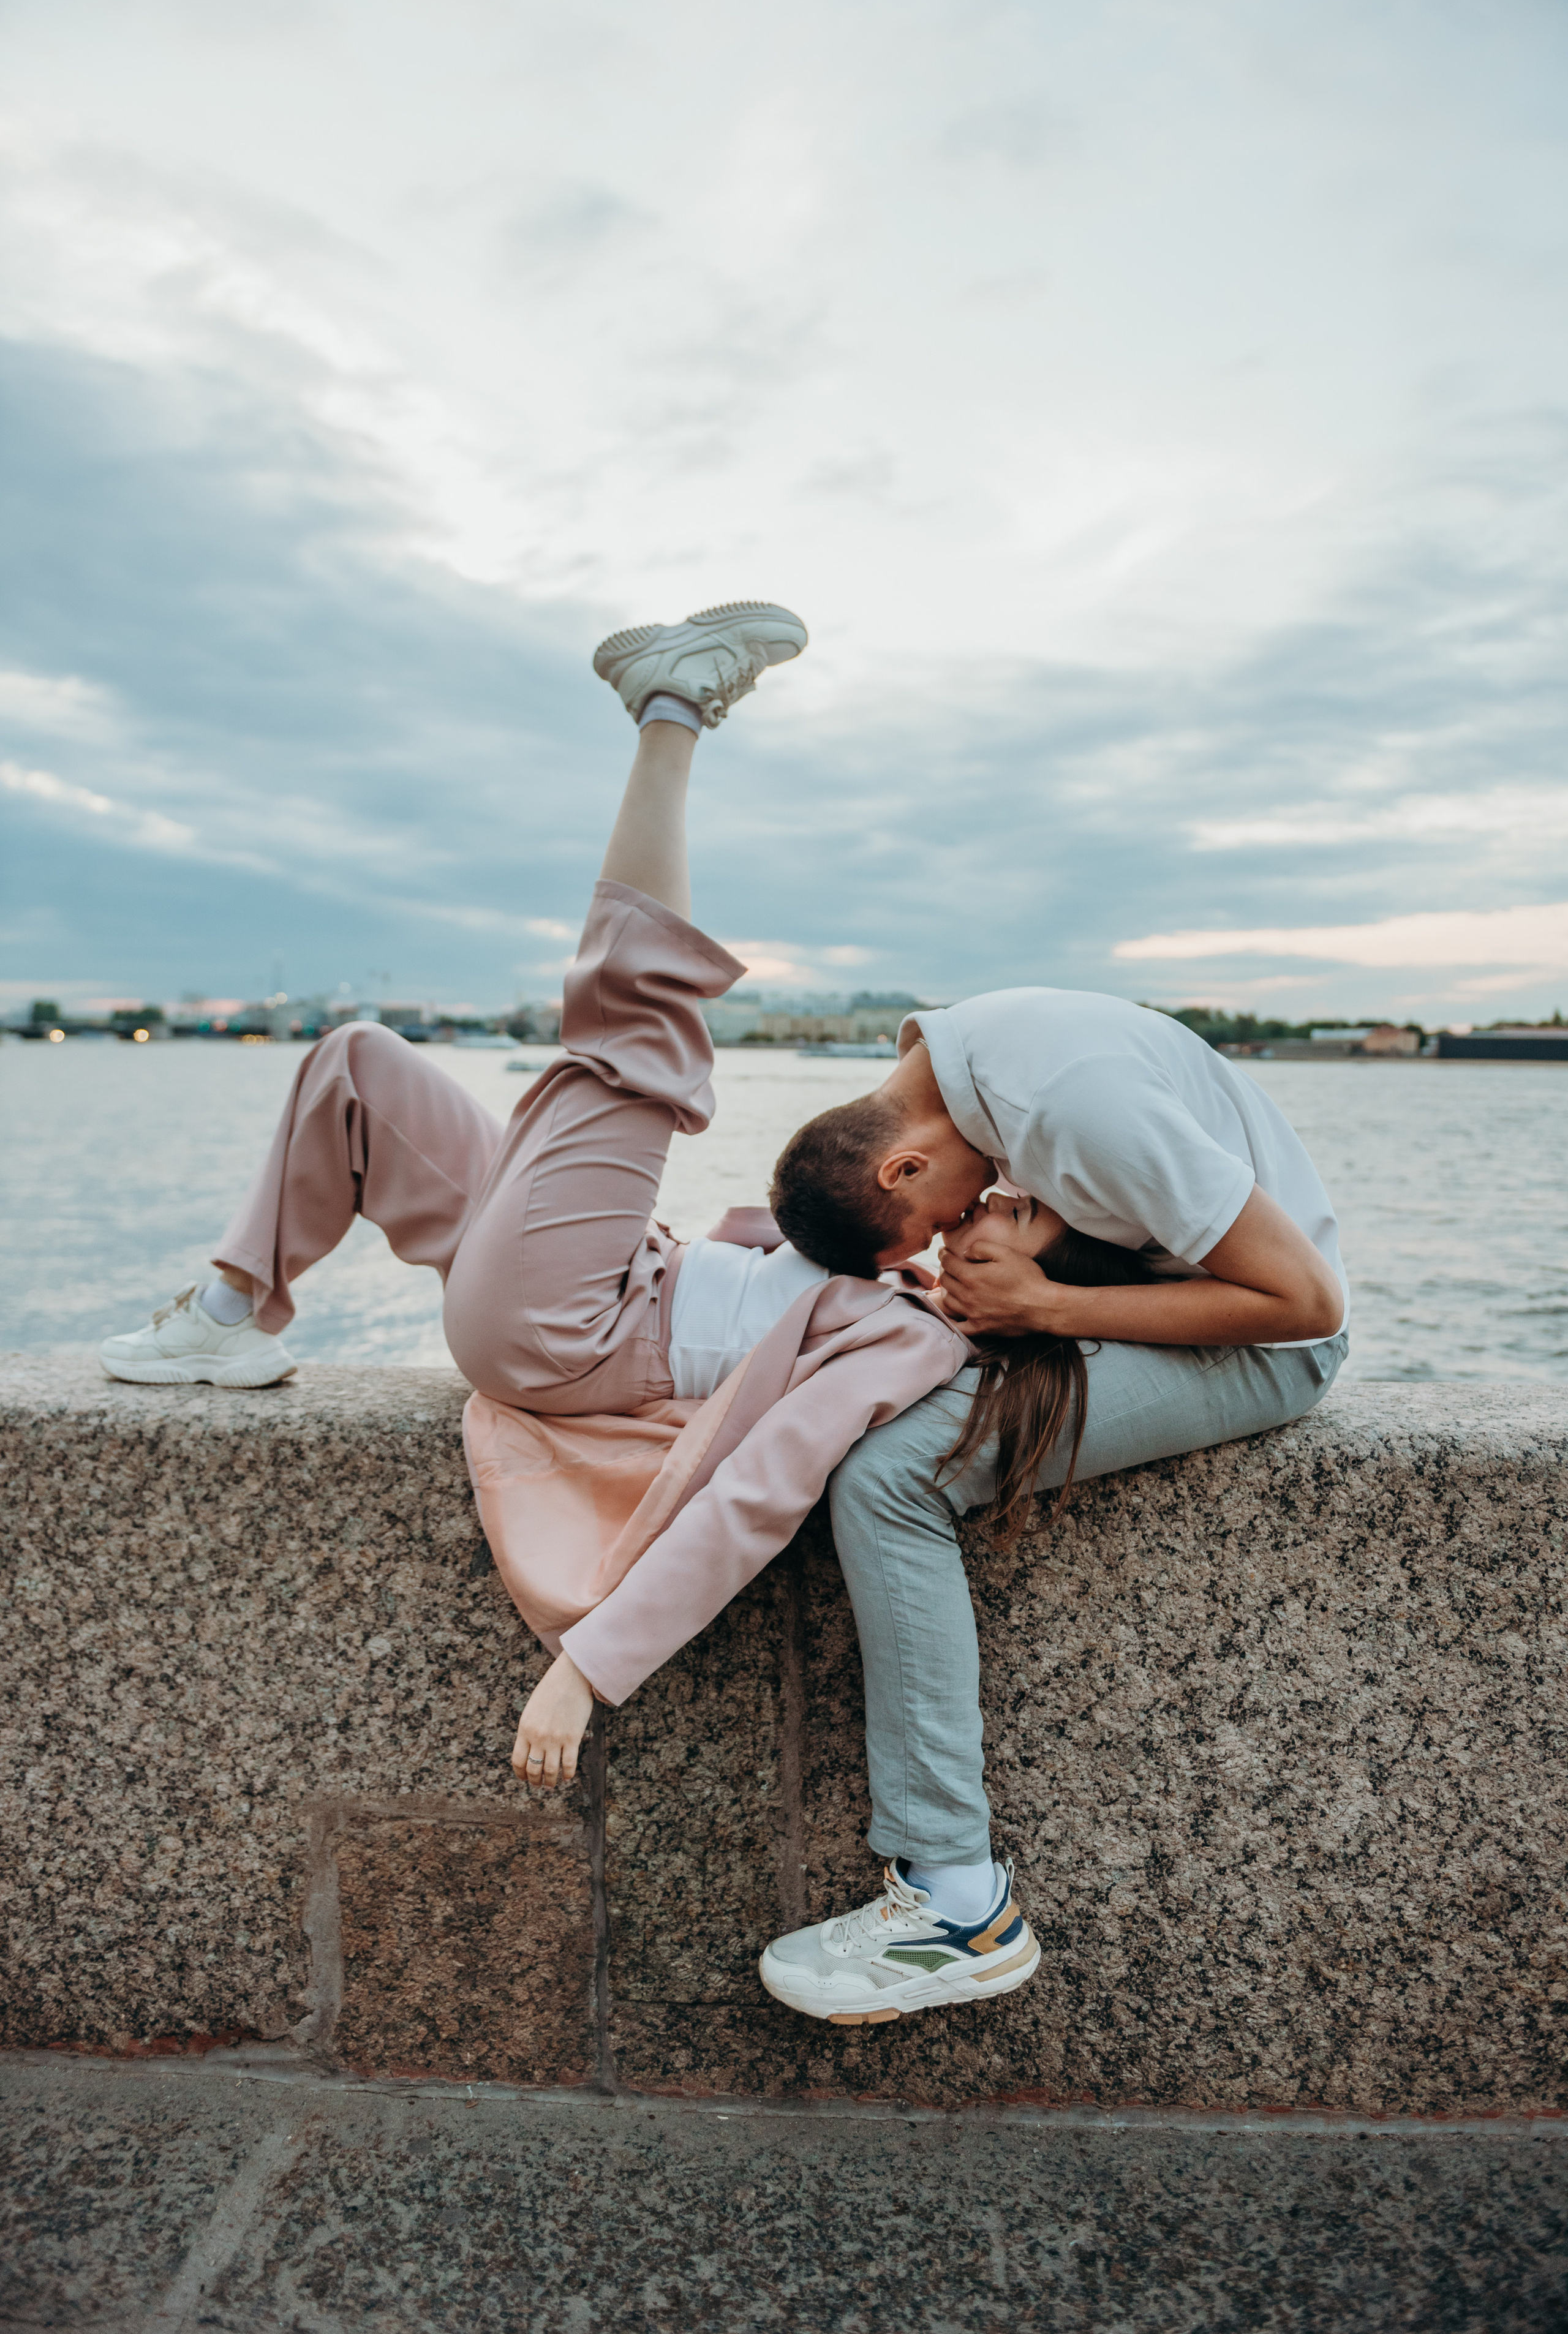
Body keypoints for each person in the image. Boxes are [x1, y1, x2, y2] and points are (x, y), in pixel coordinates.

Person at [97, 599, 1057, 2023]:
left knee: (632, 1045)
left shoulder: (909, 1346)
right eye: (988, 1193)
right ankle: (235, 1308)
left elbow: (761, 1498)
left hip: (574, 1329)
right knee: (359, 1063)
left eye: (1017, 1213)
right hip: (609, 1279)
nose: (987, 1208)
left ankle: (672, 715)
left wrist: (583, 1674)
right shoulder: (876, 1276)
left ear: (1040, 1285)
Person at [753, 967, 1348, 2020]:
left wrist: (1047, 1302)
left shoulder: (1068, 1109)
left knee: (893, 1475)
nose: (941, 1240)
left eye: (921, 1230)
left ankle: (957, 1905)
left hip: (1264, 1344)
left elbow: (1303, 1304)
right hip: (1146, 1291)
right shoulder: (947, 1053)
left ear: (901, 1162)